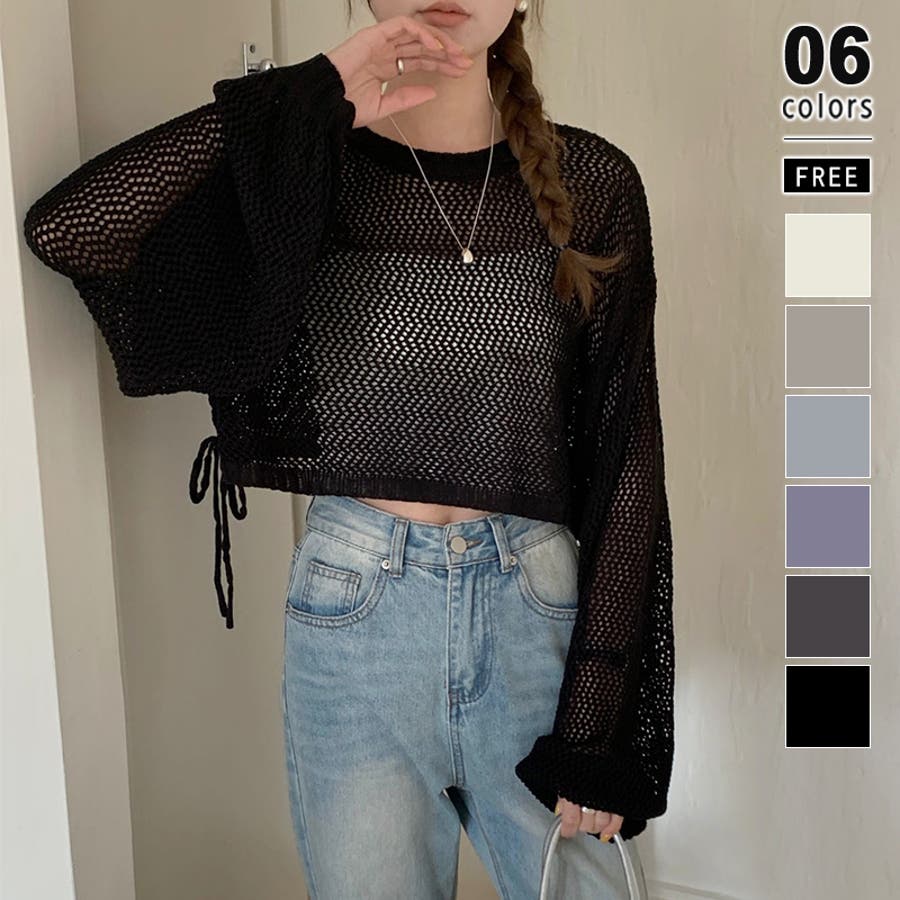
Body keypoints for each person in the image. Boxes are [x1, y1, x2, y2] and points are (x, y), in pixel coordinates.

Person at [22, 1, 675, 897]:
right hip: (354, 611)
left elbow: (627, 455)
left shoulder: (593, 182)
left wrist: (598, 725)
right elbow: (69, 230)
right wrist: (313, 94)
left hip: (536, 613)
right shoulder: (306, 167)